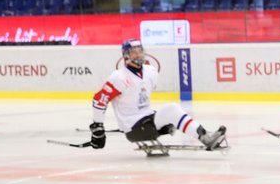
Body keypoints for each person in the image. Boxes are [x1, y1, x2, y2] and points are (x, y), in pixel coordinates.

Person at [89, 39, 227, 150]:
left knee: (171, 110)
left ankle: (204, 135)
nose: (138, 55)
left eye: (140, 51)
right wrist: (98, 127)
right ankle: (205, 138)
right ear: (126, 56)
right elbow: (99, 100)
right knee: (172, 109)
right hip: (134, 128)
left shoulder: (150, 71)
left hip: (146, 120)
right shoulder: (119, 77)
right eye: (133, 52)